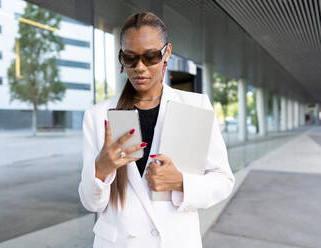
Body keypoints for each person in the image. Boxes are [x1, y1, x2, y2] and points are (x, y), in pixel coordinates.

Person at [78, 12, 235, 248]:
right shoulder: (97, 116)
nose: (139, 67)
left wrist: (181, 182)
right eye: (130, 58)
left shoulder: (194, 106)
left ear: (167, 53)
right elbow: (91, 203)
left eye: (150, 57)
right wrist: (101, 170)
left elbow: (223, 181)